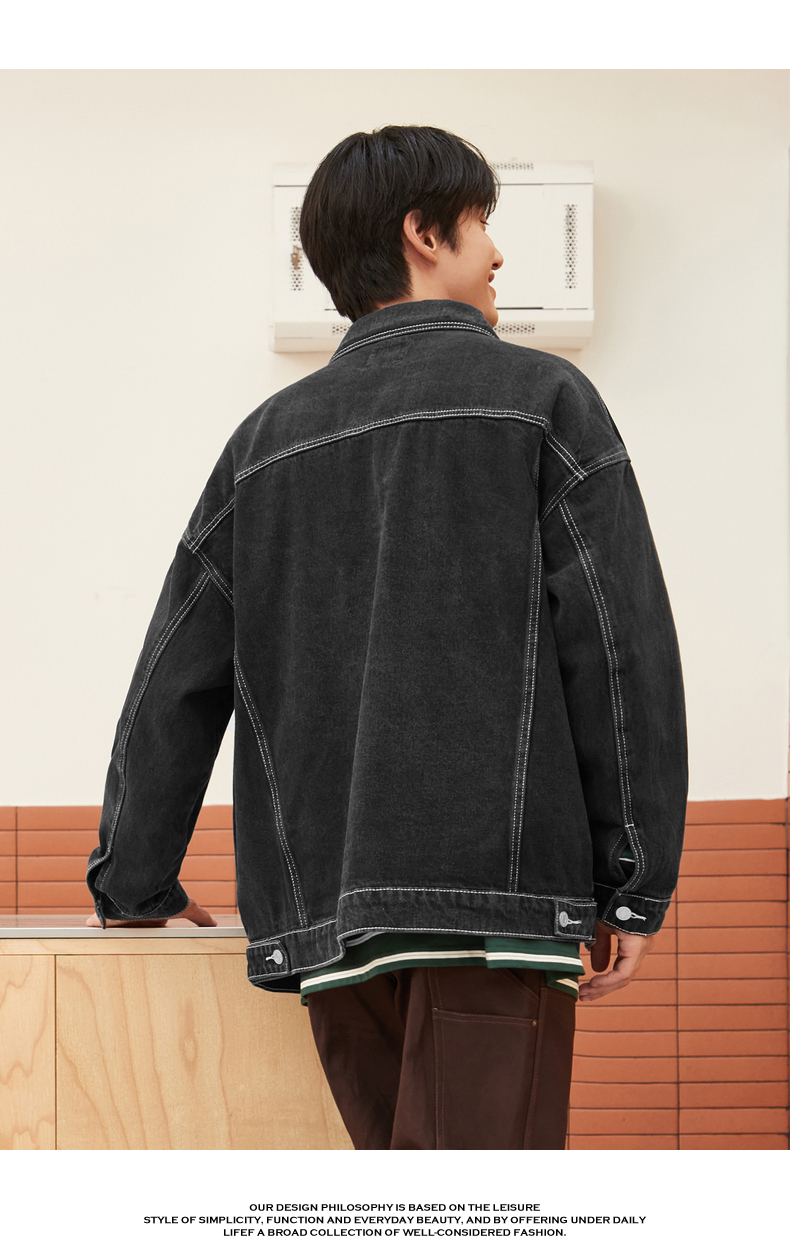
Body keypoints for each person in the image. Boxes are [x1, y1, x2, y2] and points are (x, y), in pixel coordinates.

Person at [86, 125, 688, 1151]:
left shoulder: (260, 446)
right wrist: (633, 883)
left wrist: (133, 879)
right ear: (423, 234)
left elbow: (174, 677)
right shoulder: (543, 401)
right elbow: (617, 647)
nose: (498, 253)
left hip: (326, 923)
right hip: (490, 910)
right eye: (481, 225)